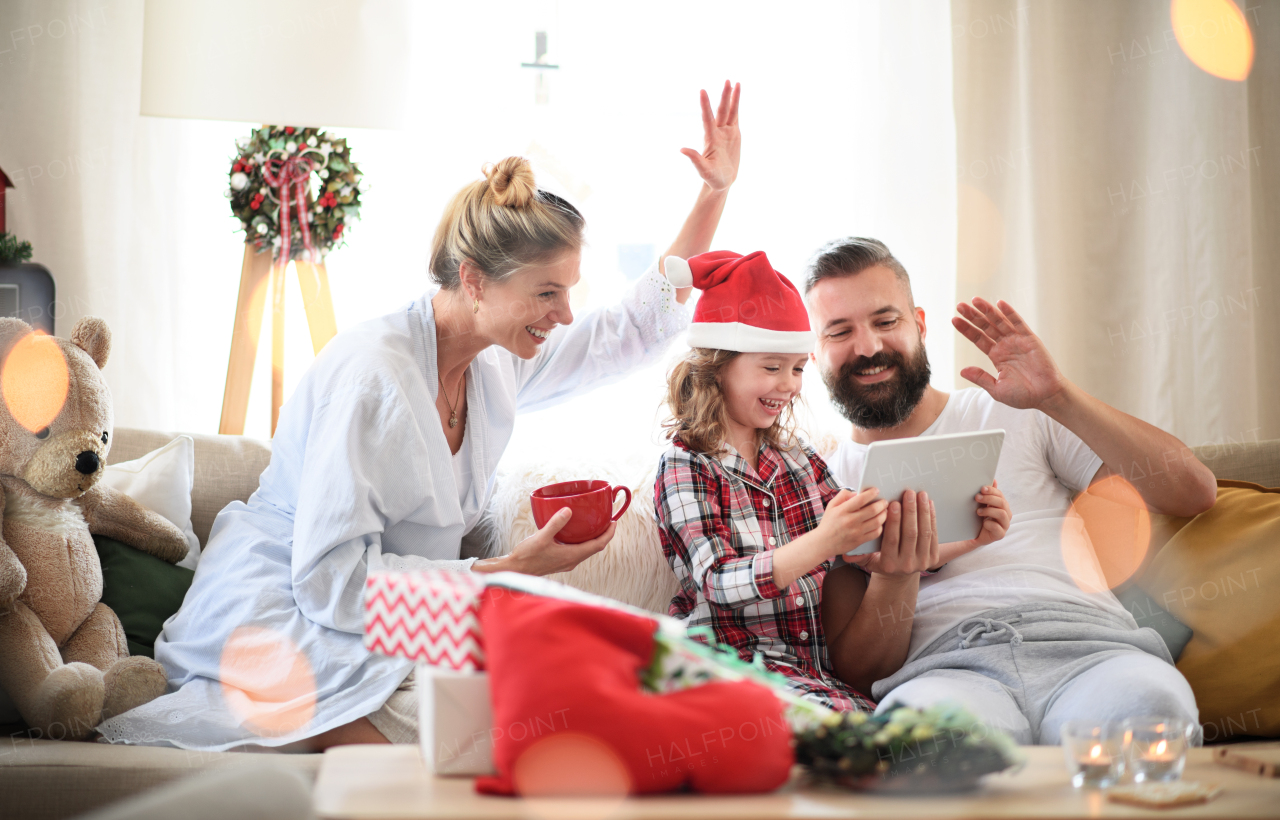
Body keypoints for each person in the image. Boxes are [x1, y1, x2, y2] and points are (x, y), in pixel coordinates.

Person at [97, 82, 745, 752]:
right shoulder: (373, 382)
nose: (566, 313)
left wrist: (713, 194)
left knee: (592, 669)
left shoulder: (497, 355)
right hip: (297, 612)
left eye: (569, 290)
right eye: (547, 292)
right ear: (473, 279)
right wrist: (508, 571)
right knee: (504, 723)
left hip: (417, 609)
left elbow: (625, 334)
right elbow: (331, 584)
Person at [805, 237, 1217, 744]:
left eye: (886, 321)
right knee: (921, 746)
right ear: (815, 352)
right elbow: (862, 673)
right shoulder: (816, 479)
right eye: (839, 331)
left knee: (1151, 711)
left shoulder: (1014, 410)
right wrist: (899, 574)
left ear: (920, 325)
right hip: (946, 671)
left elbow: (1193, 492)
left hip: (1089, 649)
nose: (867, 346)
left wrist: (1058, 397)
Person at [652, 250, 989, 710]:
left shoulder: (799, 461)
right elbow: (718, 582)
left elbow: (866, 547)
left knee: (888, 728)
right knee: (842, 735)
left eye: (796, 369)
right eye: (771, 368)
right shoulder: (685, 465)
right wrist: (824, 541)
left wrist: (967, 534)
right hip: (728, 663)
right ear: (716, 366)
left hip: (810, 671)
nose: (789, 386)